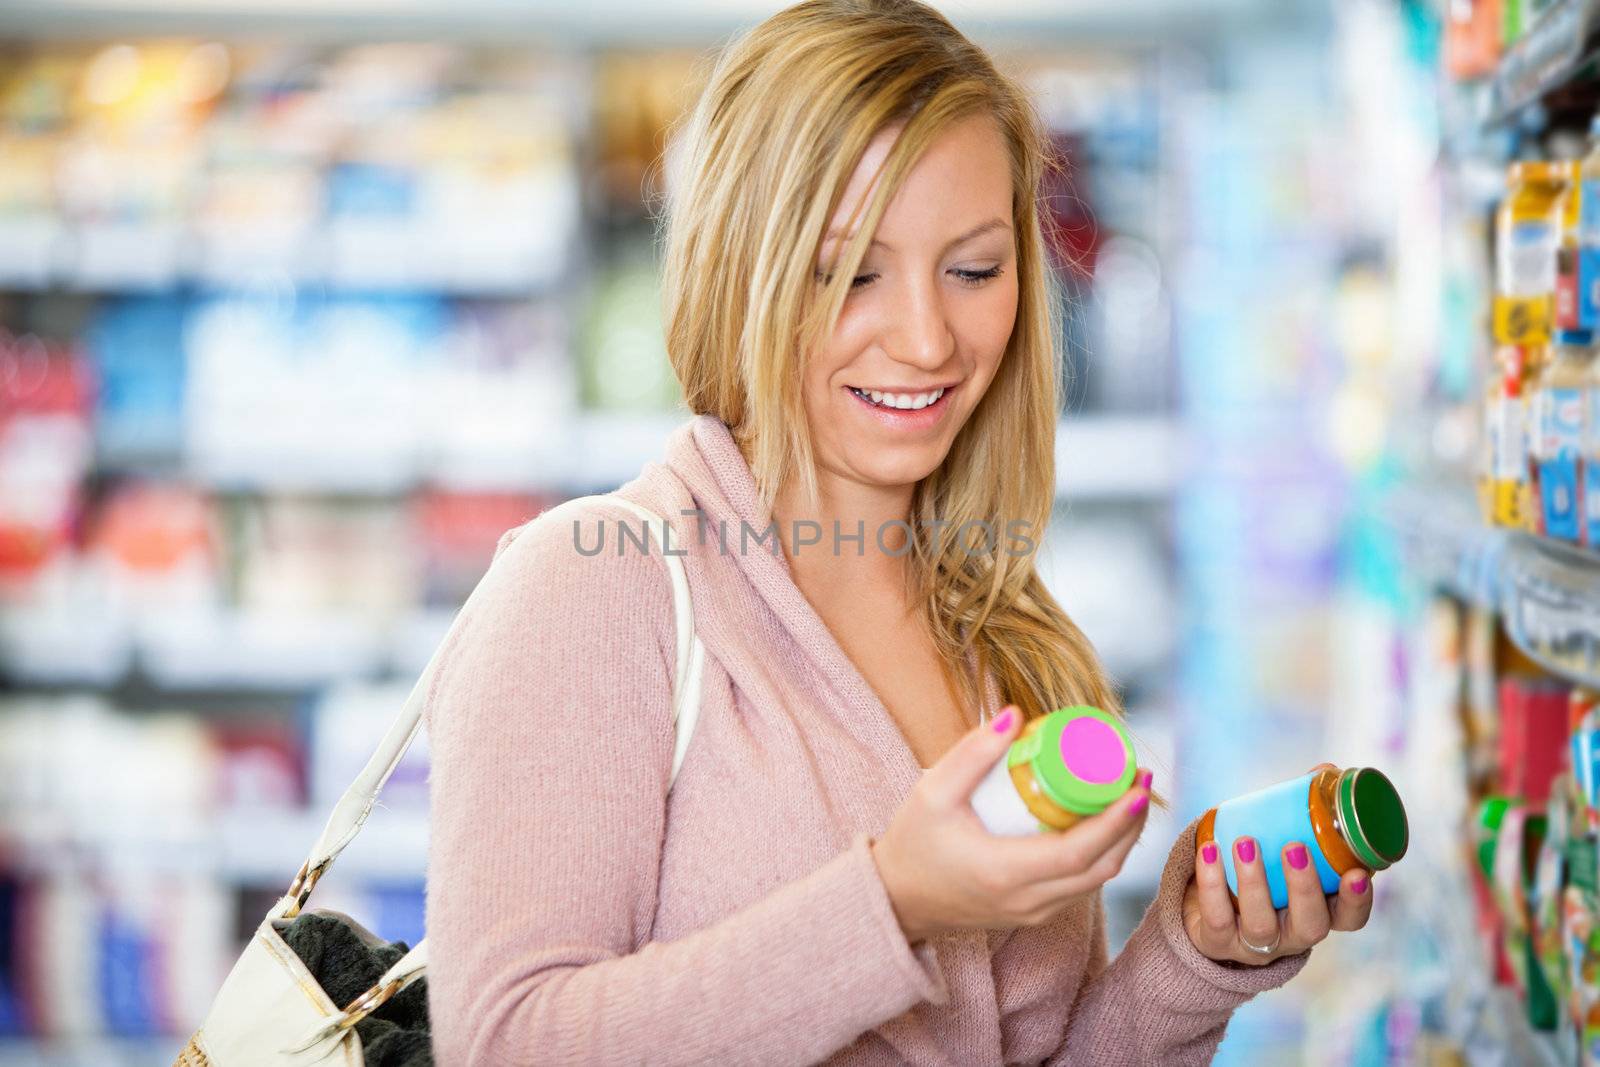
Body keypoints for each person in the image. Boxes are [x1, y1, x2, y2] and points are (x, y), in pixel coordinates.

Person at [423, 1, 1372, 1063]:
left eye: (972, 270)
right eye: (848, 272)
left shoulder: (1009, 627)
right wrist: (894, 900)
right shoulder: (597, 585)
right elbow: (503, 1042)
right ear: (744, 269)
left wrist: (1191, 959)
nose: (926, 338)